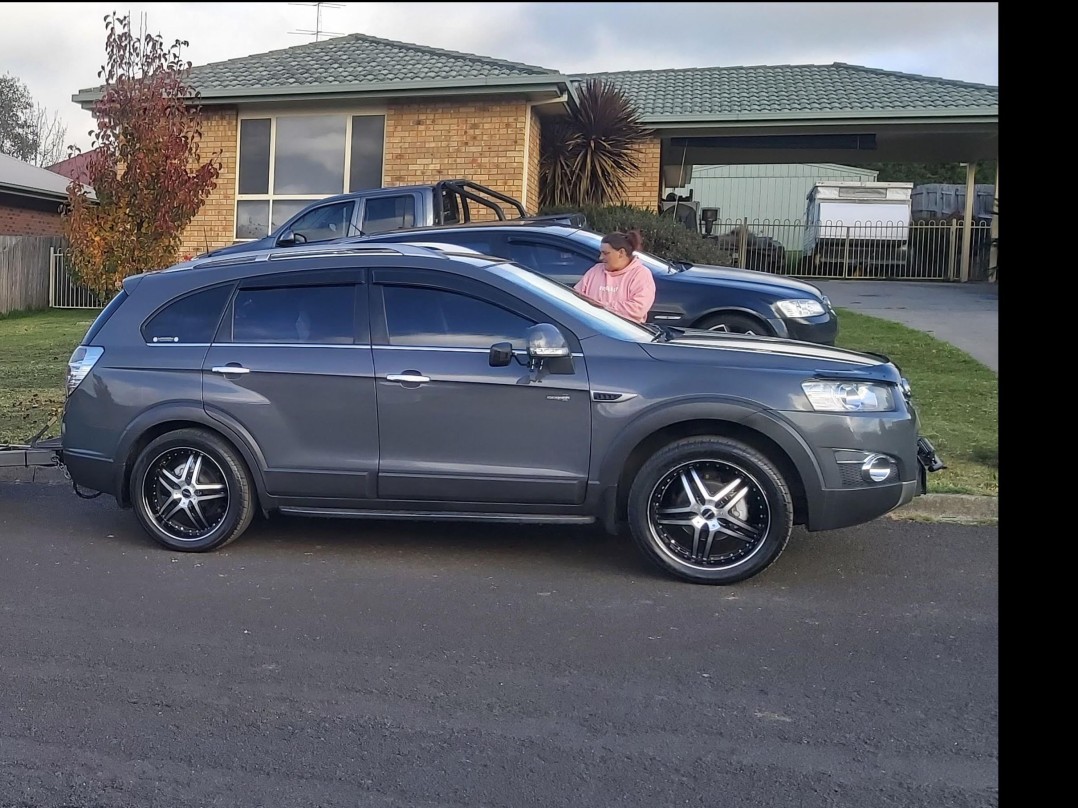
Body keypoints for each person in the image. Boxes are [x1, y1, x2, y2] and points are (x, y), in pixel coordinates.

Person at [573, 230, 656, 324]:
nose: (601, 257)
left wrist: (600, 307)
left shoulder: (641, 274)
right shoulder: (596, 270)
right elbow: (576, 297)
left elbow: (637, 309)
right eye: (601, 253)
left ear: (621, 253)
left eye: (606, 253)